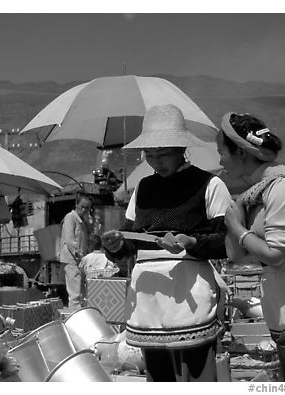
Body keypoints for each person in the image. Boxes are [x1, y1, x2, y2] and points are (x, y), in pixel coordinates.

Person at [101, 104, 232, 382]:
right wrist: (115, 247)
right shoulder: (144, 188)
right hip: (148, 293)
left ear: (181, 150)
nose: (156, 161)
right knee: (158, 373)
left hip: (189, 291)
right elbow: (131, 239)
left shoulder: (209, 185)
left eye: (163, 155)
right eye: (149, 155)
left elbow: (226, 240)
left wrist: (192, 242)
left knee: (197, 372)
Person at [217, 112, 285, 381]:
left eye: (221, 151)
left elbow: (277, 255)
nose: (219, 160)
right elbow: (234, 254)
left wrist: (238, 228)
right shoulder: (253, 195)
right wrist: (236, 218)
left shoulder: (283, 188)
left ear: (240, 153)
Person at [59, 194, 93, 308]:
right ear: (76, 205)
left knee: (82, 293)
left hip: (80, 260)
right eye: (82, 206)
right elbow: (69, 240)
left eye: (87, 208)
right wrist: (79, 254)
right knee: (75, 295)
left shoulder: (83, 221)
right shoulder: (70, 217)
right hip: (72, 260)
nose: (84, 210)